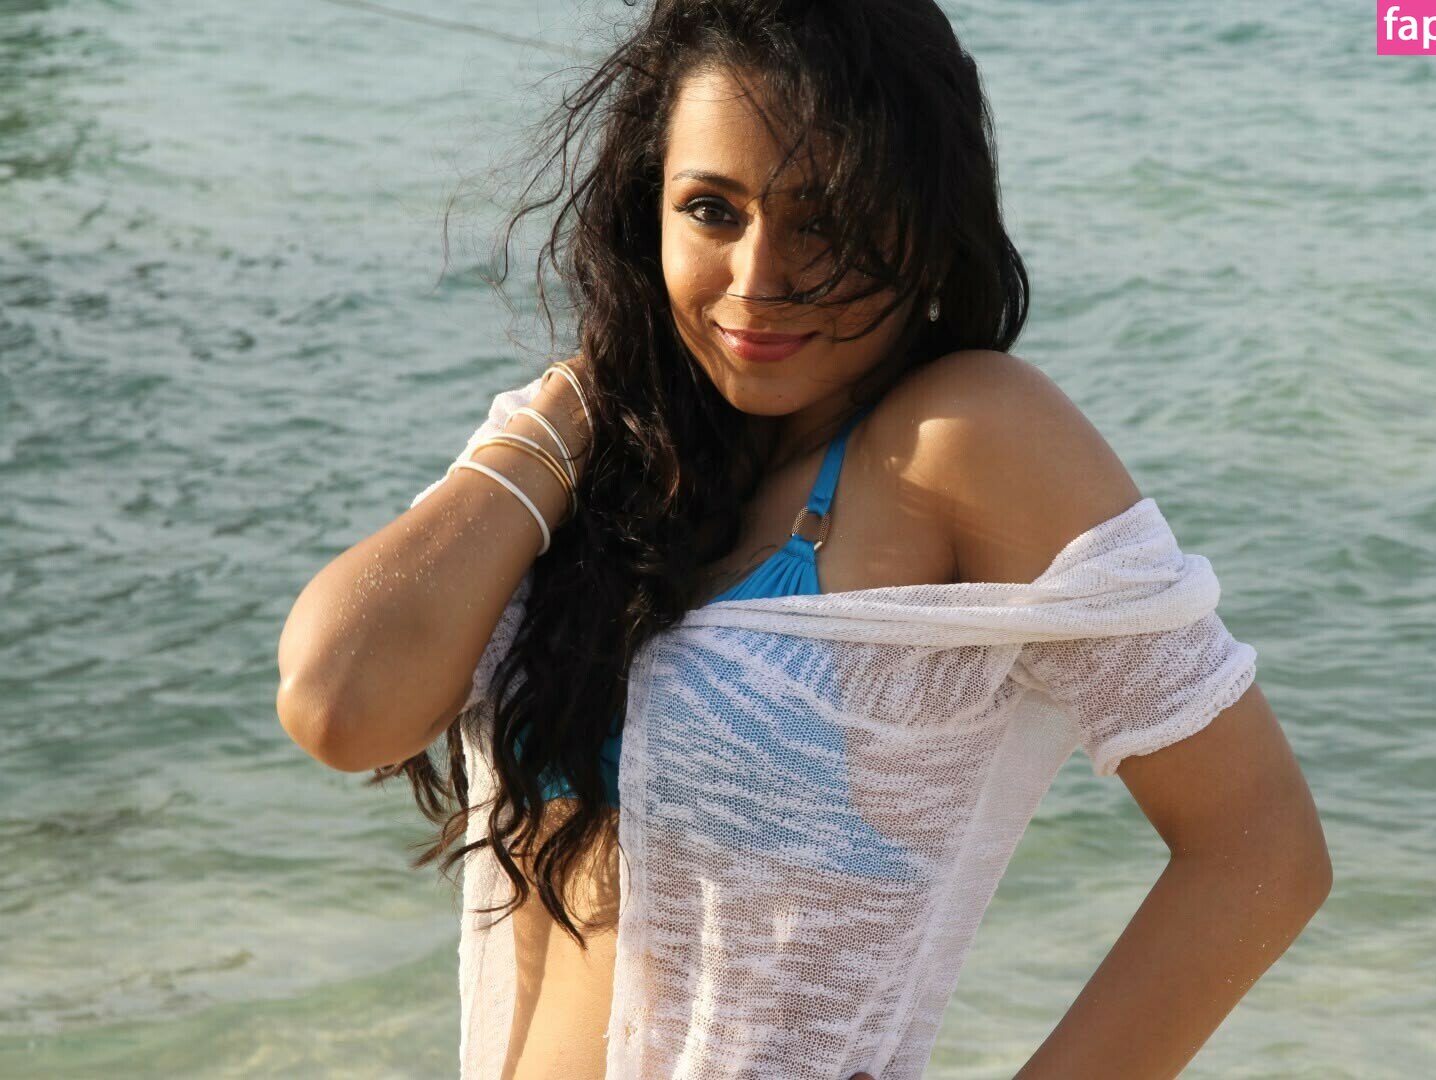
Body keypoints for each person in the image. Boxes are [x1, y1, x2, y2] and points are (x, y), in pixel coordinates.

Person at [276, 2, 1332, 1078]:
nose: (756, 278)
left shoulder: (964, 441)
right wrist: (572, 406)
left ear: (925, 223)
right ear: (647, 210)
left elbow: (1259, 847)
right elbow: (339, 704)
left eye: (822, 221)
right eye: (711, 210)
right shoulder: (600, 455)